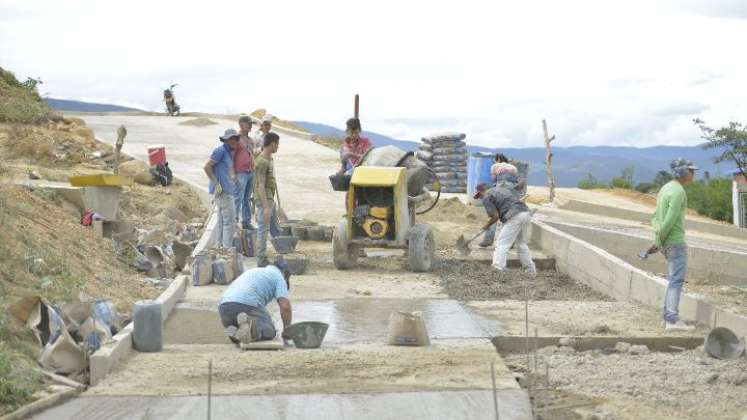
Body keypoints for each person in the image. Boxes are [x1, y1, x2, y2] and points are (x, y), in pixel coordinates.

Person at [649, 158, 698, 331]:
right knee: (676, 281)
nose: (693, 173)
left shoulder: (665, 188)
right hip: (675, 242)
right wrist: (659, 239)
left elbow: (654, 217)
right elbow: (669, 221)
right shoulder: (678, 192)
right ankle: (672, 320)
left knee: (672, 280)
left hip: (665, 242)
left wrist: (658, 240)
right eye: (691, 170)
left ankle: (667, 317)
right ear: (683, 172)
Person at [218, 258, 293, 344]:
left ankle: (235, 331)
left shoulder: (255, 271)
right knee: (270, 331)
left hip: (224, 308)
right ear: (286, 274)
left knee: (245, 324)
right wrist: (287, 331)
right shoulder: (278, 276)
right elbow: (285, 307)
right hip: (245, 304)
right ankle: (250, 330)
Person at [474, 182, 536, 274]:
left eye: (479, 195)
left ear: (481, 191)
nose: (481, 197)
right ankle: (530, 270)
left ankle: (497, 268)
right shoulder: (502, 189)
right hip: (526, 213)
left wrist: (486, 226)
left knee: (502, 244)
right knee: (521, 244)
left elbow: (495, 216)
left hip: (514, 216)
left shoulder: (487, 196)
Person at [204, 128, 239, 248]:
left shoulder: (228, 153)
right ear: (226, 140)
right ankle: (226, 251)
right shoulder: (220, 151)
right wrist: (216, 184)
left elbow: (225, 169)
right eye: (231, 139)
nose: (234, 141)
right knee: (230, 222)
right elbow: (207, 167)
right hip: (223, 192)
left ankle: (220, 249)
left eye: (235, 139)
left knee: (221, 222)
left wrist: (232, 178)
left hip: (226, 190)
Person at [479, 153, 522, 247]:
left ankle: (488, 239)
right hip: (513, 189)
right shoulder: (513, 167)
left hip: (502, 185)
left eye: (495, 160)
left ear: (498, 159)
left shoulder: (495, 165)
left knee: (495, 213)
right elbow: (516, 180)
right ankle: (510, 243)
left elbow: (494, 179)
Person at [254, 132, 282, 267]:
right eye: (277, 144)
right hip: (264, 199)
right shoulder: (262, 162)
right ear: (272, 144)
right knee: (263, 230)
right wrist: (265, 206)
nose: (278, 147)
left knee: (273, 226)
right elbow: (260, 185)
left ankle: (281, 249)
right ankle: (261, 259)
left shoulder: (269, 159)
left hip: (269, 198)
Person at [234, 116, 256, 230]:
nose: (251, 126)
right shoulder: (236, 139)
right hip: (240, 173)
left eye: (251, 124)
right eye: (249, 124)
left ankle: (246, 222)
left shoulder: (251, 140)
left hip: (250, 172)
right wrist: (232, 173)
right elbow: (231, 157)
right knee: (238, 197)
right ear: (242, 124)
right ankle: (234, 221)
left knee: (246, 198)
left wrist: (254, 167)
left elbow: (251, 155)